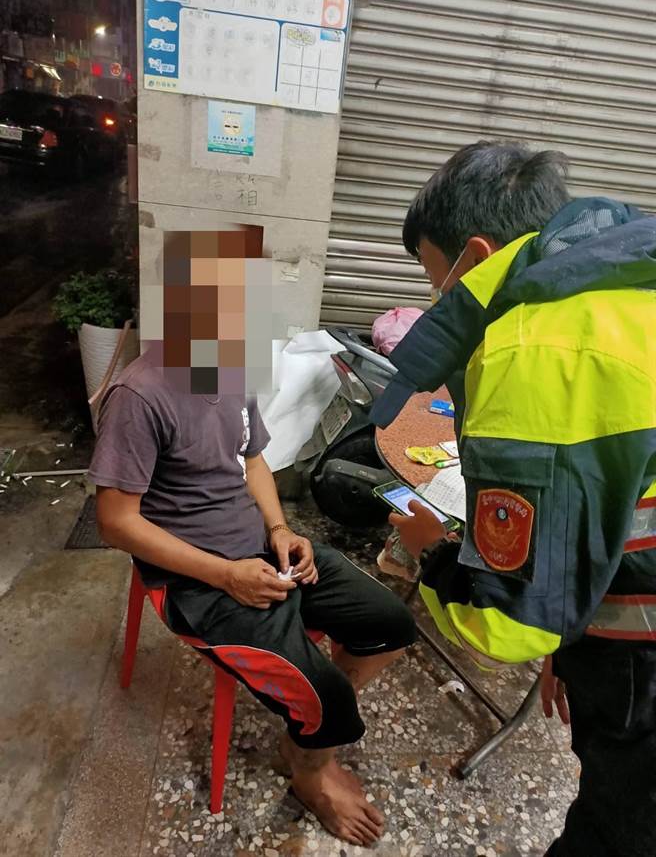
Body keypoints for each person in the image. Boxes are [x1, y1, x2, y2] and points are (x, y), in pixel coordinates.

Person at [371, 141, 656, 857]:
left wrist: (426, 551)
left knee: (615, 834)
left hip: (645, 668)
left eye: (433, 277)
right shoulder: (626, 279)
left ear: (474, 256)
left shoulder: (535, 343)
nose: (436, 300)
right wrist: (567, 623)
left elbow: (504, 626)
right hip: (624, 619)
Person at [88, 228, 416, 848]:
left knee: (391, 624)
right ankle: (312, 767)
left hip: (261, 551)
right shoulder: (140, 394)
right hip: (195, 583)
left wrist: (281, 529)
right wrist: (225, 575)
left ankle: (311, 725)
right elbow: (115, 521)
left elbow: (253, 459)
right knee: (329, 697)